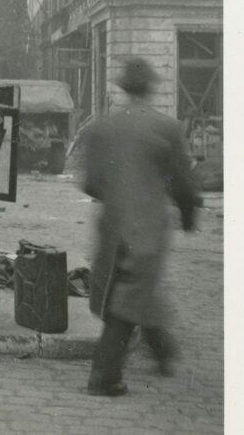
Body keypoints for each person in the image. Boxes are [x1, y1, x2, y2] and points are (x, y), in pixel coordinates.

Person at [81, 56, 200, 396]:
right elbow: (183, 183)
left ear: (121, 88)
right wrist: (188, 216)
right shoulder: (166, 127)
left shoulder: (101, 127)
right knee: (130, 298)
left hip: (111, 225)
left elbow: (90, 184)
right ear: (149, 87)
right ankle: (103, 377)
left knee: (125, 291)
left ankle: (163, 349)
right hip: (146, 226)